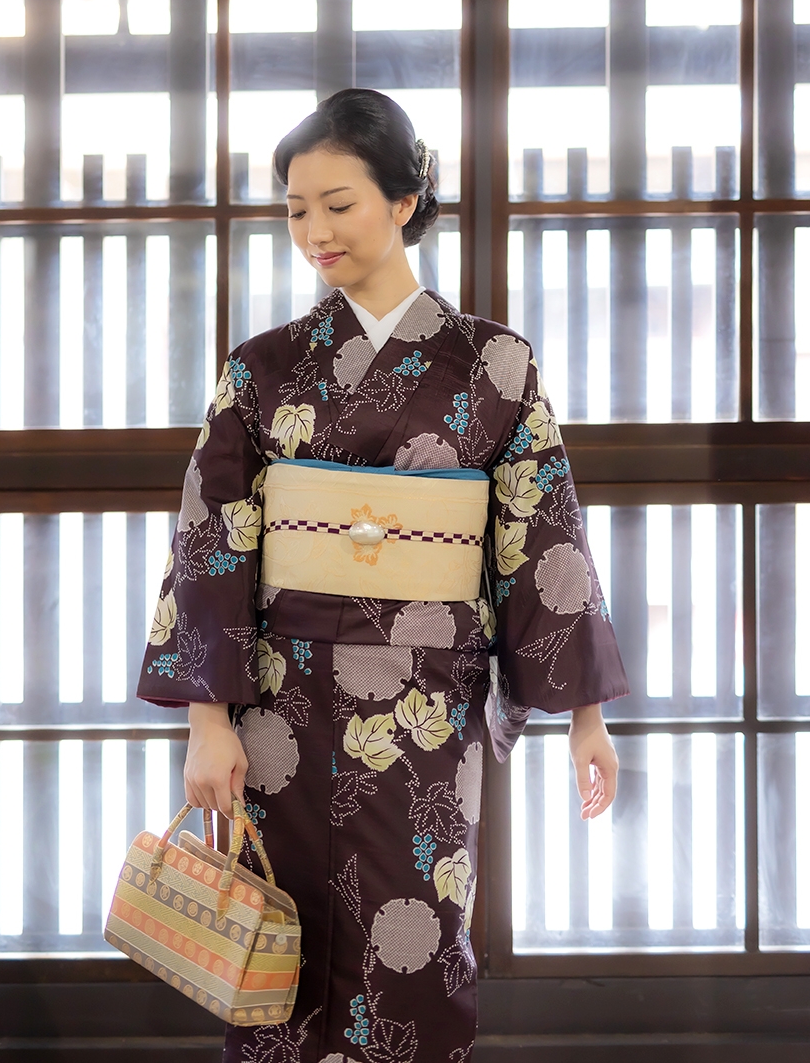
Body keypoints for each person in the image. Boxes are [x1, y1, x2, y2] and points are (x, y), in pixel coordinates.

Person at [138, 88, 628, 1063]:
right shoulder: (262, 369)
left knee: (418, 940)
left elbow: (543, 535)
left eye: (338, 204)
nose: (314, 231)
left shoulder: (494, 364)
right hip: (279, 704)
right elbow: (212, 541)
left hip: (425, 706)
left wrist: (586, 715)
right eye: (296, 209)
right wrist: (207, 720)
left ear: (405, 201)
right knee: (274, 941)